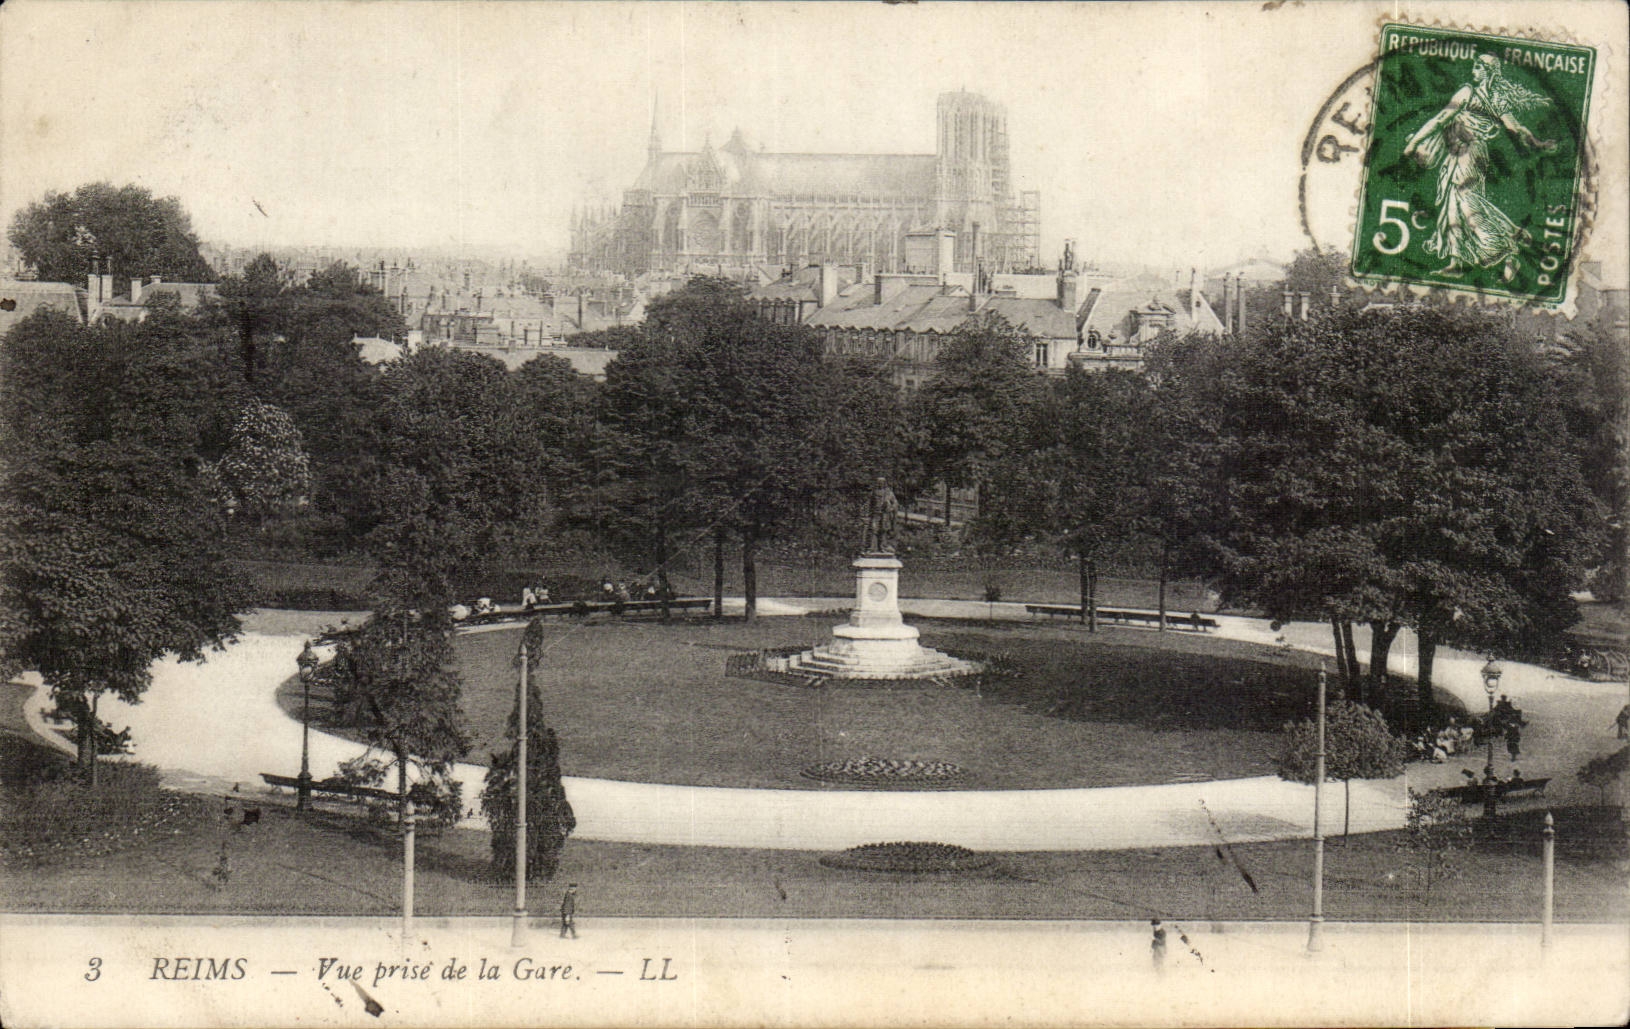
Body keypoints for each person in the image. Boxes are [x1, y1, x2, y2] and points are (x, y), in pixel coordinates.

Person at [1402, 53, 1556, 282]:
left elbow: (1440, 119)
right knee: (1454, 204)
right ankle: (1458, 262)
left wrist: (1414, 143)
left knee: (1466, 204)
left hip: (1466, 154)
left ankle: (1505, 251)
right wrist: (1537, 143)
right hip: (1469, 154)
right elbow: (1518, 129)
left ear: (1487, 71)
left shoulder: (1468, 93)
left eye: (1477, 67)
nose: (1473, 71)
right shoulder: (1498, 102)